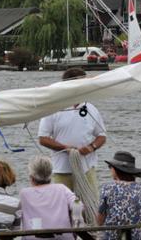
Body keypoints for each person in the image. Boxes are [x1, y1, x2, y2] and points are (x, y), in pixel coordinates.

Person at [38, 68, 106, 198]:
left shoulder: (90, 108)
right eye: (83, 84)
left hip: (87, 169)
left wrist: (91, 148)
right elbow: (43, 138)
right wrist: (65, 148)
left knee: (90, 206)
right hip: (62, 170)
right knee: (62, 208)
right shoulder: (54, 108)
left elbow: (102, 136)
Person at [97, 151, 141, 240]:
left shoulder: (107, 189)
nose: (110, 169)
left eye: (110, 167)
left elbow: (100, 221)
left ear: (116, 170)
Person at [18, 155, 78, 240]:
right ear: (50, 173)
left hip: (33, 238)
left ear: (31, 176)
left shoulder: (24, 193)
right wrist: (76, 220)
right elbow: (78, 205)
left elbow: (16, 213)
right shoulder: (61, 188)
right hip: (62, 237)